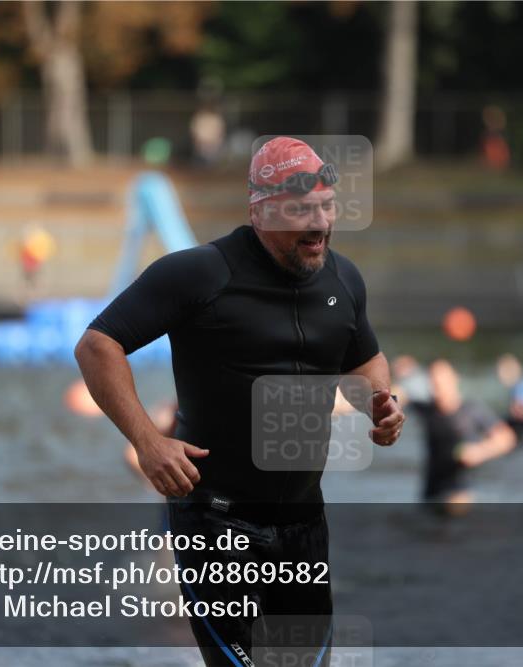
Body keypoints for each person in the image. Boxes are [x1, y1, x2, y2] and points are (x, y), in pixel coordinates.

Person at [75, 136, 404, 666]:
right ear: (260, 211)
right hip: (217, 522)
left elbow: (365, 359)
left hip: (304, 525)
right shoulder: (200, 274)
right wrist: (147, 441)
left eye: (326, 207)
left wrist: (380, 404)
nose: (319, 224)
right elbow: (98, 344)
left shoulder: (343, 278)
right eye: (301, 211)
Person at [407, 359, 516, 507]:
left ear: (454, 379)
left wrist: (480, 451)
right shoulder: (426, 409)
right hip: (430, 492)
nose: (438, 386)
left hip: (460, 493)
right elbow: (397, 397)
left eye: (442, 381)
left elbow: (507, 438)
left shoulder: (471, 410)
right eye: (434, 381)